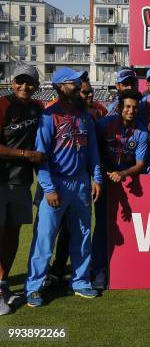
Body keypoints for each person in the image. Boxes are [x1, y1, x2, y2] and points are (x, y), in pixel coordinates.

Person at [25, 67, 103, 307]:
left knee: (81, 236)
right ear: (60, 87)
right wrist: (48, 188)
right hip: (56, 182)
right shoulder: (49, 117)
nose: (79, 86)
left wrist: (97, 178)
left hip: (80, 182)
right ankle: (34, 287)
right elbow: (41, 155)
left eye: (79, 82)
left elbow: (93, 153)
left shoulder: (85, 117)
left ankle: (80, 282)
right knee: (45, 239)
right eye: (73, 83)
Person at [0, 65, 45, 315]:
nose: (24, 87)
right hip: (1, 180)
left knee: (12, 234)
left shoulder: (37, 108)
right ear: (12, 81)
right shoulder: (2, 104)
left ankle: (4, 283)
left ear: (37, 86)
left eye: (29, 83)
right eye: (20, 81)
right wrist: (25, 154)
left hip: (22, 182)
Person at [92, 89, 148, 289]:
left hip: (124, 181)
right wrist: (102, 174)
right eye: (127, 107)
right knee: (102, 227)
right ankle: (98, 271)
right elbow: (94, 151)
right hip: (103, 180)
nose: (131, 111)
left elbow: (141, 163)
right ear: (120, 107)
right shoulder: (104, 125)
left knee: (127, 229)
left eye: (134, 107)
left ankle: (123, 269)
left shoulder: (141, 131)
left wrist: (123, 174)